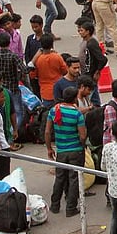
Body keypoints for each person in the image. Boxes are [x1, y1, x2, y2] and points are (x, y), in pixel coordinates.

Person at [45, 86, 86, 216]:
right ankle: (71, 207)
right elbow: (83, 136)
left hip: (61, 150)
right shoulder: (77, 114)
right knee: (74, 179)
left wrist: (49, 148)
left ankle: (55, 205)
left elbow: (47, 132)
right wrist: (82, 145)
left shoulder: (54, 110)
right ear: (75, 99)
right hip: (75, 150)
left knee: (60, 178)